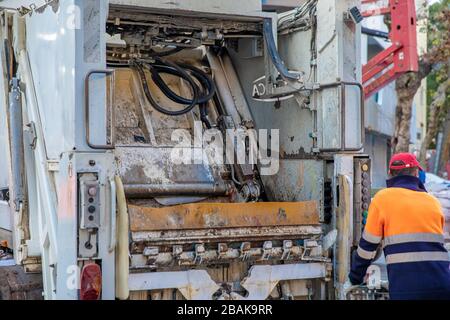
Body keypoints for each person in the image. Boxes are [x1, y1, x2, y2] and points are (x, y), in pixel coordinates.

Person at [347, 152, 450, 300]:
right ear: (416, 173)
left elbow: (367, 248)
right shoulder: (433, 201)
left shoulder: (382, 199)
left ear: (390, 174)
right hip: (442, 286)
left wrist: (355, 278)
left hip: (406, 290)